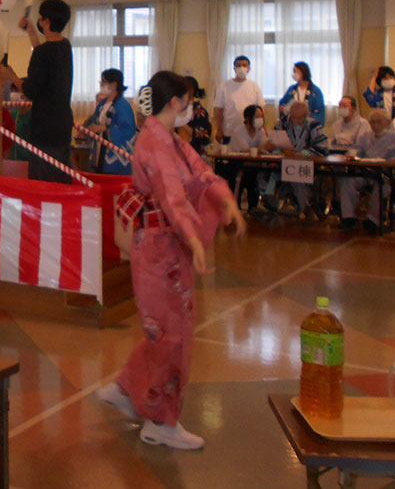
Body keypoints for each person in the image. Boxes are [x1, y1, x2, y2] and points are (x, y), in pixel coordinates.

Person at [96, 71, 244, 450]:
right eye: (189, 101)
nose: (192, 108)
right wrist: (194, 238)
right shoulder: (156, 144)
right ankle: (161, 421)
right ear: (175, 103)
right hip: (161, 246)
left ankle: (127, 388)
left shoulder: (168, 139)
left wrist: (224, 199)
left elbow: (199, 172)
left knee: (160, 329)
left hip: (164, 245)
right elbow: (173, 195)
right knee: (172, 335)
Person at [16, 0, 75, 183]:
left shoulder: (43, 53)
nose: (40, 21)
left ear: (47, 21)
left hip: (45, 129)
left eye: (41, 18)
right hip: (63, 125)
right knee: (60, 179)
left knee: (43, 182)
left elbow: (30, 90)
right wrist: (31, 30)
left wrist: (9, 75)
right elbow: (43, 52)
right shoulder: (65, 45)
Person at [337, 109, 395, 234]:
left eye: (378, 122)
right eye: (372, 122)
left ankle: (373, 220)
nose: (375, 125)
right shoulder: (365, 136)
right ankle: (348, 217)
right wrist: (353, 155)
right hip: (366, 172)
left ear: (386, 122)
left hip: (385, 175)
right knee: (347, 181)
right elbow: (356, 150)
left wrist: (388, 161)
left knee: (381, 187)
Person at [273, 100, 329, 215]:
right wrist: (281, 151)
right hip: (284, 161)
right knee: (267, 173)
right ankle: (269, 202)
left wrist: (301, 154)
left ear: (306, 116)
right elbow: (274, 142)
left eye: (299, 118)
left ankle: (303, 206)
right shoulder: (283, 123)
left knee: (296, 174)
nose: (294, 121)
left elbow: (322, 148)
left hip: (306, 164)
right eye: (292, 117)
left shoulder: (314, 125)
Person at [83, 68, 137, 174]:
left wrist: (104, 128)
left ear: (114, 84)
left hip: (114, 159)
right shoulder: (102, 104)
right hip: (99, 153)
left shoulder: (123, 105)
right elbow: (93, 122)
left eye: (104, 82)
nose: (101, 84)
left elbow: (128, 130)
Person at [229, 104, 273, 212]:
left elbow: (266, 147)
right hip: (237, 166)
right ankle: (237, 209)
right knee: (244, 177)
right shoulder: (238, 131)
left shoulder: (260, 131)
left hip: (253, 166)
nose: (260, 120)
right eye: (257, 117)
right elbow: (247, 150)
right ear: (248, 118)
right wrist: (260, 148)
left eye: (261, 116)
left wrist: (263, 148)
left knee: (257, 177)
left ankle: (254, 208)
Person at [213, 55, 263, 144]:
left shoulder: (254, 86)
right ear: (234, 68)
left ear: (249, 68)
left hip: (250, 133)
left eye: (244, 65)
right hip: (229, 132)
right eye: (238, 65)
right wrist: (219, 130)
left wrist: (263, 129)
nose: (241, 68)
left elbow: (261, 110)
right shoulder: (224, 86)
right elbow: (218, 111)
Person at [278, 61, 326, 127]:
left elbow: (319, 112)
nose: (293, 74)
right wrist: (284, 109)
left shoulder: (316, 92)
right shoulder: (292, 89)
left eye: (295, 71)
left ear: (303, 72)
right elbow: (283, 103)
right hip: (292, 125)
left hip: (307, 127)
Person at [180, 76, 212, 156]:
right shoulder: (176, 108)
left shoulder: (200, 112)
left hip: (193, 153)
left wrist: (183, 125)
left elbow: (203, 137)